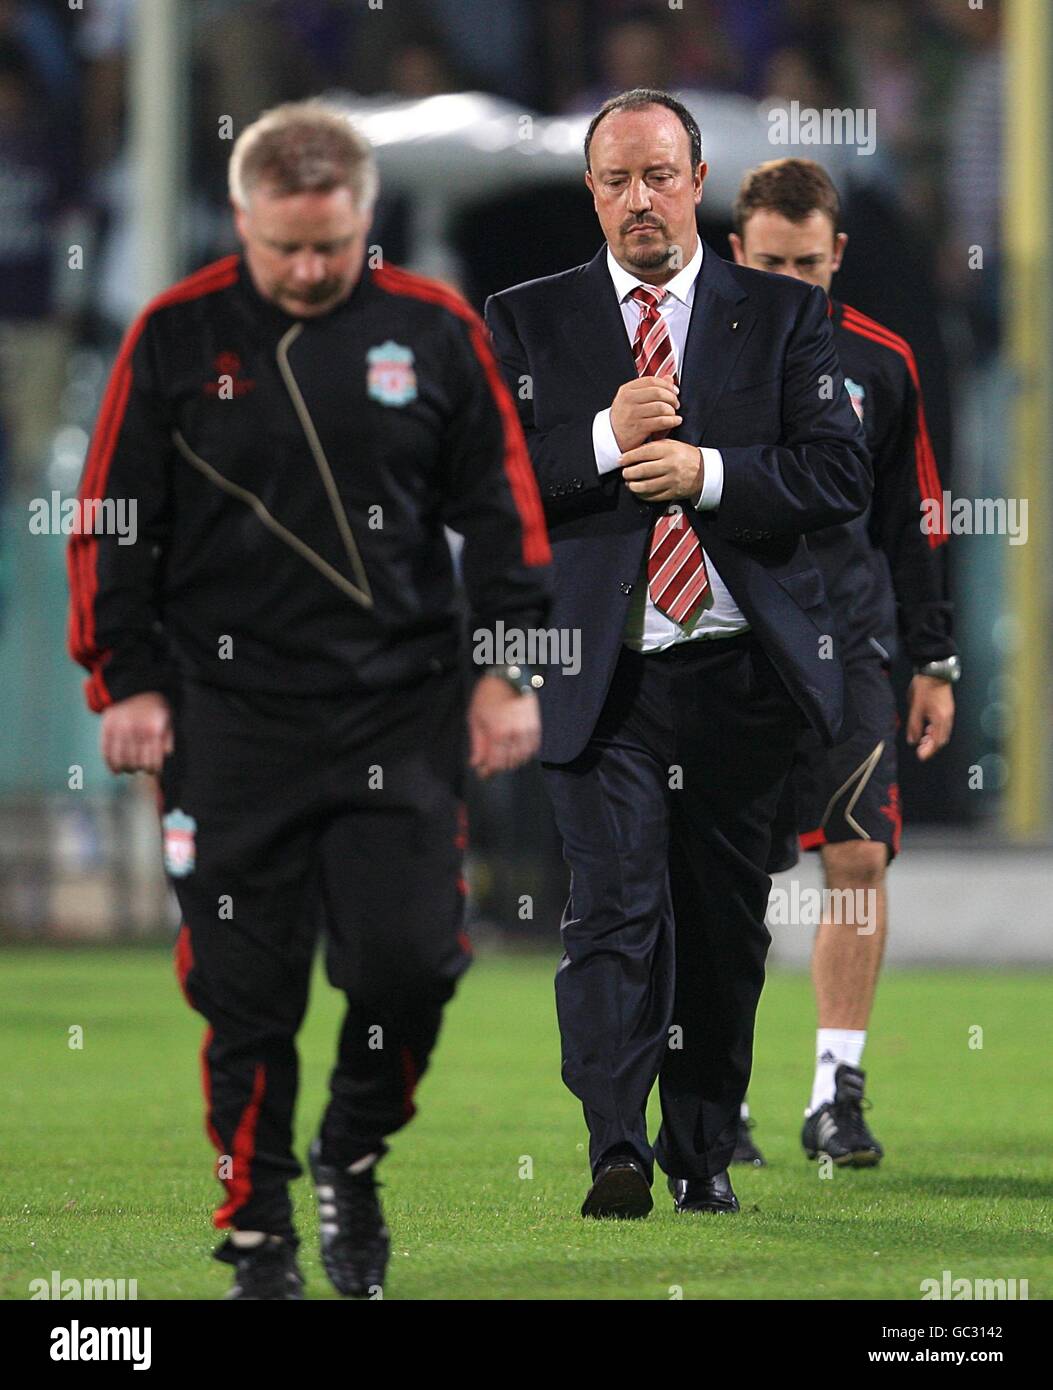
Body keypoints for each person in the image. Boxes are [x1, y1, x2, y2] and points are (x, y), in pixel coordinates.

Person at [67, 100, 551, 1299]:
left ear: (366, 217)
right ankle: (260, 1230)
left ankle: (352, 1148)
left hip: (400, 709)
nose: (308, 269)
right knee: (247, 992)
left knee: (410, 966)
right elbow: (111, 521)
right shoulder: (174, 337)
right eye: (284, 247)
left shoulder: (431, 333)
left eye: (331, 246)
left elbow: (504, 515)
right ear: (241, 218)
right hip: (229, 718)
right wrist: (123, 679)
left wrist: (507, 669)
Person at [485, 89, 871, 1220]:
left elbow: (837, 476)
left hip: (738, 671)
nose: (639, 200)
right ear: (591, 191)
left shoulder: (783, 314)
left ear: (698, 181)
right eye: (616, 180)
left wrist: (704, 472)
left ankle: (700, 1149)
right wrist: (609, 436)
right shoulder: (525, 319)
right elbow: (493, 476)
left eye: (659, 176)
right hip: (603, 675)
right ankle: (615, 1142)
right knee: (609, 911)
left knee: (718, 929)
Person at [728, 157, 956, 1168]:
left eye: (807, 264)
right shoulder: (688, 359)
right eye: (771, 262)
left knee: (858, 859)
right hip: (723, 644)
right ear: (736, 251)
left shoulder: (882, 364)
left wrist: (935, 655)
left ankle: (835, 1095)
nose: (789, 281)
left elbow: (915, 517)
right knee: (718, 876)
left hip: (849, 645)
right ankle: (711, 1097)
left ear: (839, 255)